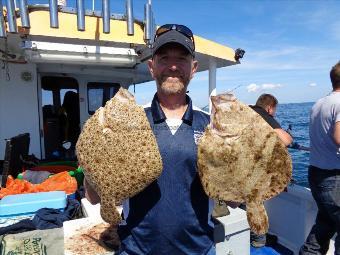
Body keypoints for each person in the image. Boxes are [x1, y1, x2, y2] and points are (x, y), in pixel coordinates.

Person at [85, 24, 220, 254]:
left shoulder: (212, 125)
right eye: (164, 58)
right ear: (151, 67)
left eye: (182, 59)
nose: (173, 66)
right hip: (135, 249)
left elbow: (232, 196)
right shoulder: (127, 122)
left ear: (194, 68)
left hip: (199, 249)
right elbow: (94, 197)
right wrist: (92, 158)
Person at [299, 61, 340, 255]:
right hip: (334, 178)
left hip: (316, 172)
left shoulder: (318, 104)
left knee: (325, 224)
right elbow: (338, 137)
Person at [248, 93, 293, 248]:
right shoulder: (262, 114)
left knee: (243, 202)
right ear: (269, 107)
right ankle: (259, 239)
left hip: (236, 166)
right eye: (275, 110)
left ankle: (248, 233)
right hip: (252, 169)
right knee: (255, 203)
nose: (274, 114)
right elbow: (286, 140)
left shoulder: (246, 112)